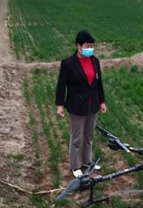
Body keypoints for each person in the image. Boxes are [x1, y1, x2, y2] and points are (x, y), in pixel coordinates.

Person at [55, 30, 107, 177]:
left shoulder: (94, 61)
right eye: (87, 45)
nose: (90, 48)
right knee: (77, 136)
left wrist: (102, 101)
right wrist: (59, 105)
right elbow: (61, 85)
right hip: (76, 105)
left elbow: (99, 84)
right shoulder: (68, 63)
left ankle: (86, 161)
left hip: (93, 104)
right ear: (79, 46)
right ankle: (75, 165)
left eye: (92, 46)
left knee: (89, 134)